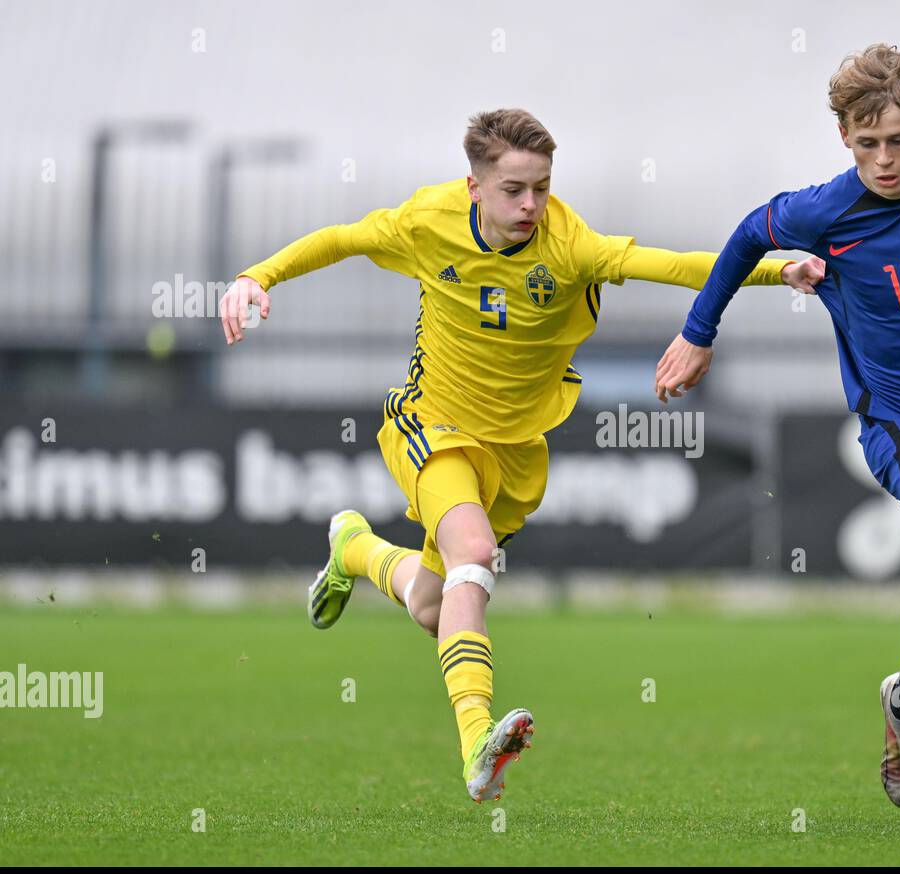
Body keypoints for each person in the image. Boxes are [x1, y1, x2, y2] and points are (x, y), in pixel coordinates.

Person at [219, 108, 822, 803]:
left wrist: (781, 270)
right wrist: (256, 277)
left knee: (431, 603)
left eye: (541, 186)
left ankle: (354, 547)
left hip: (514, 450)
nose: (531, 204)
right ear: (474, 186)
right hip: (432, 424)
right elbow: (342, 238)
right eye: (513, 189)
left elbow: (678, 265)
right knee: (472, 550)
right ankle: (476, 739)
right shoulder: (428, 220)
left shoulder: (569, 246)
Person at [654, 45, 900, 808]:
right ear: (844, 138)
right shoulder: (825, 210)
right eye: (867, 144)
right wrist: (698, 333)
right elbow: (746, 236)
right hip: (899, 421)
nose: (885, 160)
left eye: (898, 141)